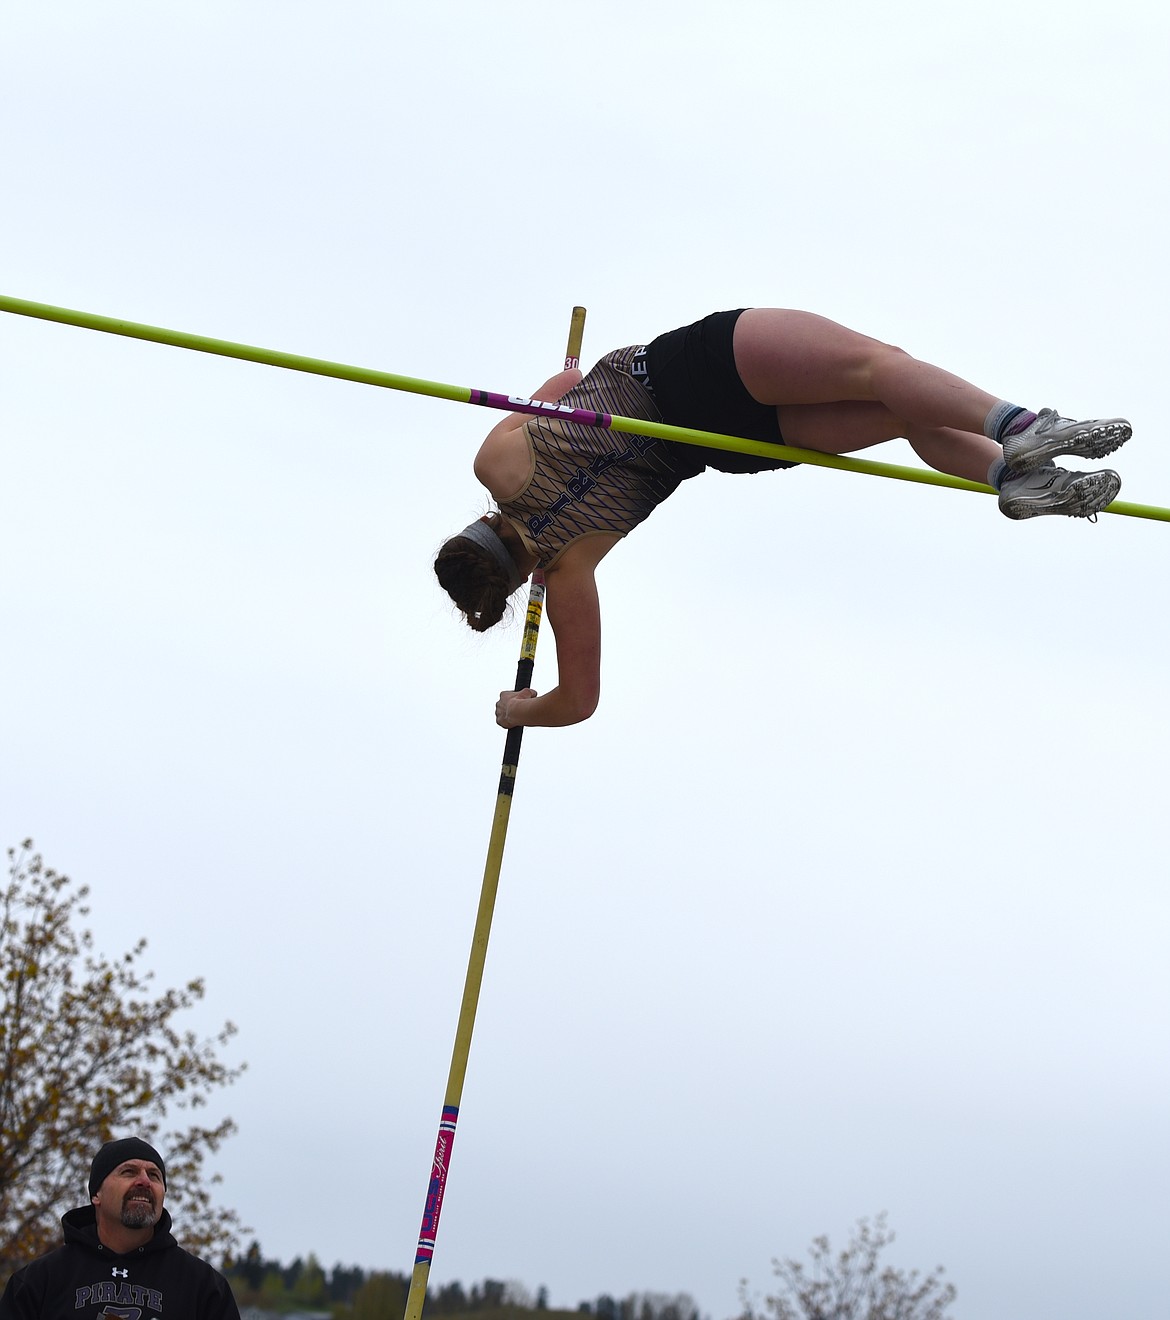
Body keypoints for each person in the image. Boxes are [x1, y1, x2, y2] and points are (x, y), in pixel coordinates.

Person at [434, 307, 1131, 729]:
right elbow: (560, 389)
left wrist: (520, 708)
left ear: (513, 580)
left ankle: (1009, 477)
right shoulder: (492, 462)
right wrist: (568, 389)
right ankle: (1024, 429)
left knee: (898, 413)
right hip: (685, 373)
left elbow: (578, 701)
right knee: (881, 366)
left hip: (723, 444)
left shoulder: (571, 570)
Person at [0, 1137, 240, 1320]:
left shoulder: (203, 1286)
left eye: (154, 1176)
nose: (144, 1181)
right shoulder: (38, 1282)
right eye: (129, 1172)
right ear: (97, 1194)